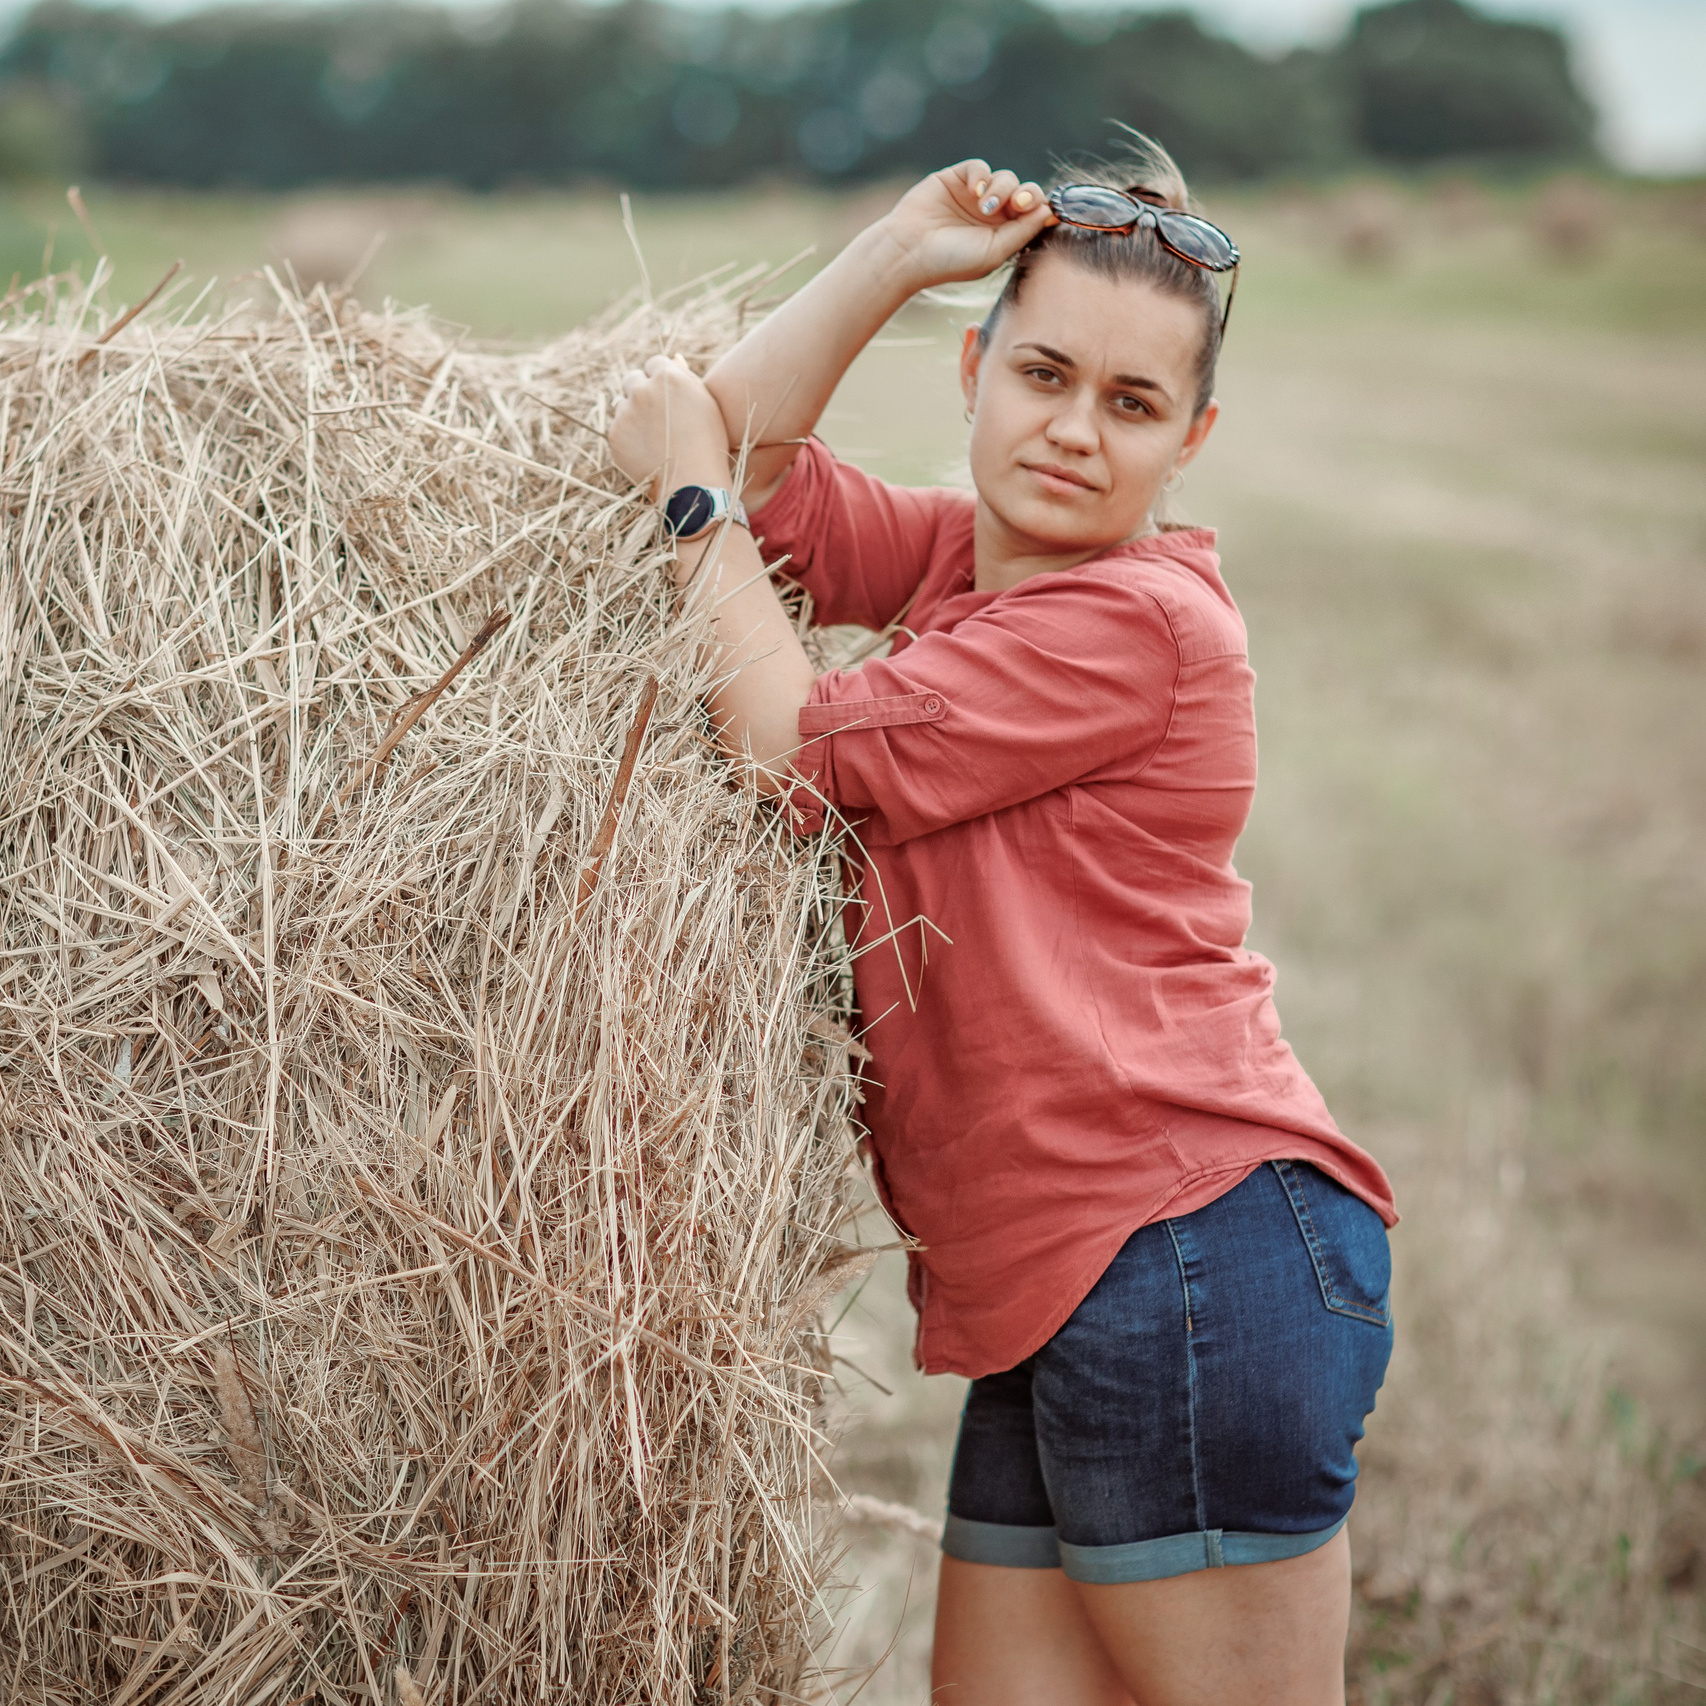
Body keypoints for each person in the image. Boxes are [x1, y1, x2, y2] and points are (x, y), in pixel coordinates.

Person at [610, 136, 1398, 1706]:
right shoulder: (968, 567)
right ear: (972, 365)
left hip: (1187, 1253)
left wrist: (691, 498)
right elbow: (747, 445)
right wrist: (896, 253)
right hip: (1070, 1278)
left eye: (1130, 403)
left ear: (1193, 440)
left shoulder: (1135, 621)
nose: (1071, 431)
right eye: (1040, 372)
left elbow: (798, 749)